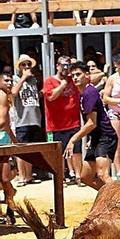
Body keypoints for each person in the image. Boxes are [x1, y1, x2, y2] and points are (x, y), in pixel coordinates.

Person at [66, 62, 117, 190]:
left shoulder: (89, 92)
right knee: (85, 176)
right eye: (73, 75)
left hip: (105, 137)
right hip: (97, 138)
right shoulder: (85, 93)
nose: (75, 78)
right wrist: (90, 139)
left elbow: (91, 123)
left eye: (78, 74)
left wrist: (73, 139)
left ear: (87, 75)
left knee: (103, 175)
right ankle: (108, 199)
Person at [42, 55, 83, 186]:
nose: (66, 69)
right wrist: (62, 85)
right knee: (59, 154)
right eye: (63, 66)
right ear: (57, 66)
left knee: (76, 151)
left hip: (74, 122)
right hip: (56, 125)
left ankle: (78, 177)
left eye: (68, 66)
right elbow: (51, 97)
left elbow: (89, 78)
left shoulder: (73, 79)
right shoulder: (49, 81)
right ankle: (61, 178)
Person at [11, 54, 42, 187]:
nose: (27, 67)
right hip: (22, 120)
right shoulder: (15, 79)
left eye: (29, 64)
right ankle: (22, 176)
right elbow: (13, 93)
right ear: (19, 67)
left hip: (34, 119)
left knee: (31, 150)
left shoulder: (33, 80)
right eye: (24, 65)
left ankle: (29, 176)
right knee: (21, 150)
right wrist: (23, 77)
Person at [0, 73, 18, 224]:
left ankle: (10, 206)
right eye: (6, 80)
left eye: (11, 80)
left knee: (5, 178)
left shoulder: (4, 95)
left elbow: (2, 122)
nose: (9, 83)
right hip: (4, 137)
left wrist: (13, 140)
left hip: (2, 138)